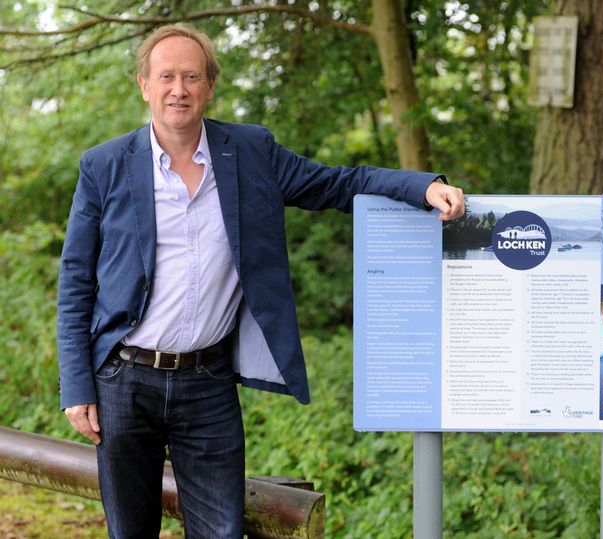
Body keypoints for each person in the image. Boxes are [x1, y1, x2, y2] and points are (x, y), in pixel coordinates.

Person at [57, 24, 464, 538]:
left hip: (207, 383)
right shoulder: (104, 166)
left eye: (191, 77)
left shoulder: (250, 151)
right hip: (122, 380)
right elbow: (75, 281)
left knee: (222, 532)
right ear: (144, 85)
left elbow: (338, 183)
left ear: (208, 86)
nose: (178, 89)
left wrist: (423, 186)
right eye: (166, 77)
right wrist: (76, 384)